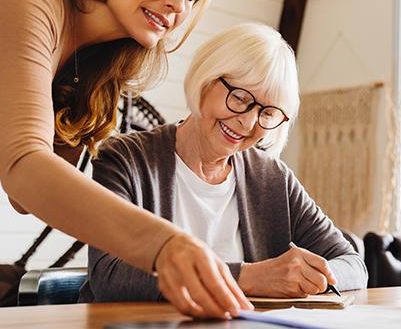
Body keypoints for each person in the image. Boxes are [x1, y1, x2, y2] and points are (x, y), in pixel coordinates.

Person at [0, 0, 254, 318]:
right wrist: (165, 244)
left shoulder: (91, 72)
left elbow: (24, 200)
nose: (177, 6)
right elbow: (23, 170)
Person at [78, 23, 368, 302]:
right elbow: (109, 276)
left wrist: (307, 276)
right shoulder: (125, 159)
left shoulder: (271, 177)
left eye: (267, 113)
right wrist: (249, 277)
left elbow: (353, 265)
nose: (248, 121)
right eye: (240, 97)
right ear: (206, 80)